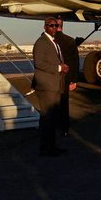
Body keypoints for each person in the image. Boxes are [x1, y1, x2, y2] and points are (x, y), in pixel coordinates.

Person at [33, 18, 71, 156]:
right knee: (47, 117)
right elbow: (39, 63)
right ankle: (46, 148)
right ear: (45, 27)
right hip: (46, 85)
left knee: (52, 118)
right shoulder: (41, 42)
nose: (55, 28)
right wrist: (59, 68)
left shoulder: (54, 42)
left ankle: (51, 146)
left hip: (55, 85)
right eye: (52, 25)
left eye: (57, 25)